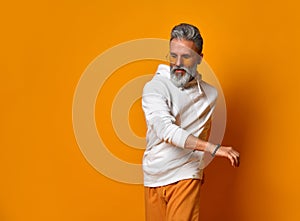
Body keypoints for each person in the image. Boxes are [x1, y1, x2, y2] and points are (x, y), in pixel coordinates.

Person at [141, 23, 240, 221]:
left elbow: (200, 131)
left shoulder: (210, 95)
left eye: (186, 56)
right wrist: (214, 148)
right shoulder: (155, 88)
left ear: (199, 58)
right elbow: (165, 130)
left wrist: (198, 167)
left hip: (186, 174)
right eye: (173, 56)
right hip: (153, 175)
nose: (178, 63)